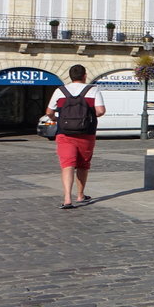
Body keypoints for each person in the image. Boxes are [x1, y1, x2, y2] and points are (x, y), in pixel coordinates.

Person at [45, 64, 106, 209]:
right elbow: (101, 111)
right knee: (83, 165)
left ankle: (67, 198)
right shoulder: (93, 90)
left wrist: (55, 118)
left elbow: (49, 111)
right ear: (85, 75)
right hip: (86, 133)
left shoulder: (60, 91)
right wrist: (88, 115)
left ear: (70, 76)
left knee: (67, 165)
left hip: (64, 133)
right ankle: (80, 195)